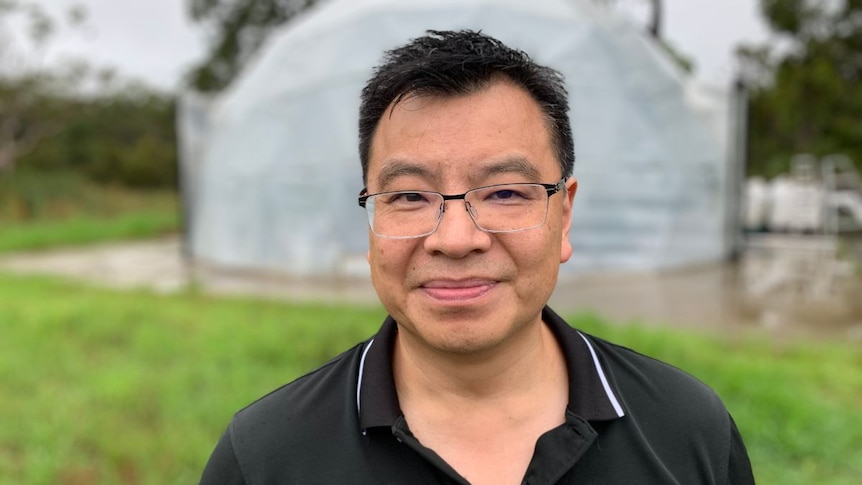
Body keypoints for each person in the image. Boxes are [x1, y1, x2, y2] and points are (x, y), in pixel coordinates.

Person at [199, 30, 755, 485]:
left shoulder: (687, 431)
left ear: (564, 214)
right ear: (370, 222)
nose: (456, 239)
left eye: (506, 192)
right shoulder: (265, 457)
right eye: (410, 196)